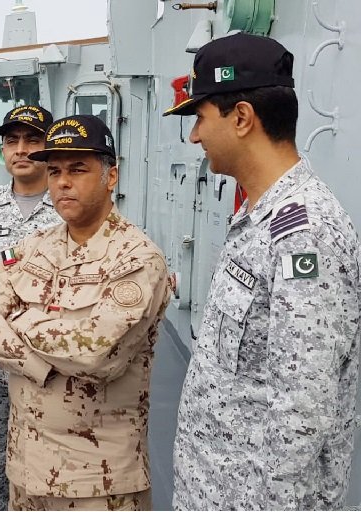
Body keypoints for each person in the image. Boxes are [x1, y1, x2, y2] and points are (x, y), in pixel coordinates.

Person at [164, 33, 361, 510]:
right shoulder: (260, 216)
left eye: (201, 118)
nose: (194, 136)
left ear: (242, 118)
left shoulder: (303, 232)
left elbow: (302, 411)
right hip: (214, 489)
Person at [0, 114, 171, 511]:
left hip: (97, 481)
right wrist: (45, 359)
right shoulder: (30, 248)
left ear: (110, 177)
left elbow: (94, 351)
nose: (62, 181)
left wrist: (21, 319)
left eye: (78, 169)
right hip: (25, 468)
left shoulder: (137, 257)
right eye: (55, 169)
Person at [0, 105, 61, 510]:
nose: (21, 150)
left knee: (50, 477)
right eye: (11, 142)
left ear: (49, 147)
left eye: (33, 140)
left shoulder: (68, 211)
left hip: (53, 373)